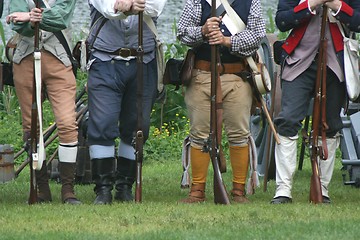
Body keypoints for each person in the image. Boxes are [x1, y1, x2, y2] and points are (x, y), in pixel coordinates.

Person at [271, 0, 360, 204]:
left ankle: (323, 188)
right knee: (288, 120)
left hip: (336, 64)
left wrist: (336, 5)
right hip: (298, 61)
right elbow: (282, 21)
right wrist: (314, 3)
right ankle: (283, 189)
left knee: (329, 124)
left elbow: (357, 20)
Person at [177, 0, 266, 203]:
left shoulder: (251, 1)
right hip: (202, 74)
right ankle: (197, 190)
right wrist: (202, 30)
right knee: (199, 133)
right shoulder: (196, 1)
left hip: (237, 75)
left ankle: (238, 190)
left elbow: (257, 35)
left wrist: (227, 41)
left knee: (239, 134)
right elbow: (182, 32)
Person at [87, 0, 166, 205]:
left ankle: (125, 187)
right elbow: (107, 7)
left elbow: (155, 6)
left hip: (144, 61)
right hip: (105, 62)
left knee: (137, 127)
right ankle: (103, 189)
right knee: (102, 124)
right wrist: (126, 6)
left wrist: (128, 5)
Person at [6, 0, 81, 204]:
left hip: (59, 60)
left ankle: (68, 190)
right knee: (32, 127)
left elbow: (61, 17)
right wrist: (29, 22)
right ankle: (42, 189)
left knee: (67, 123)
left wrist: (30, 16)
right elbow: (16, 22)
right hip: (25, 59)